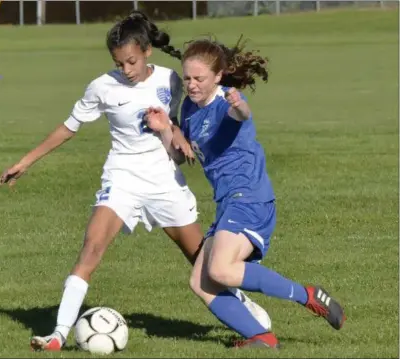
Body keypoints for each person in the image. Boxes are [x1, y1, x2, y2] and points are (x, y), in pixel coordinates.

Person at [0, 12, 265, 352]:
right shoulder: (101, 87)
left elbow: (185, 117)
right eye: (119, 63)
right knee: (91, 247)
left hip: (164, 181)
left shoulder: (172, 80)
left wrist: (178, 134)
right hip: (121, 178)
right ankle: (58, 334)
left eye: (131, 61)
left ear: (147, 51)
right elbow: (68, 128)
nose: (125, 70)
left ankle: (250, 316)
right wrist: (25, 161)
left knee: (203, 259)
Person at [145, 38, 346, 349]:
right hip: (228, 203)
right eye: (187, 78)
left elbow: (241, 114)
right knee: (202, 283)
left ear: (218, 76)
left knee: (220, 269)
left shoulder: (226, 101)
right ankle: (261, 338)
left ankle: (306, 295)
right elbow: (179, 157)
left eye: (199, 79)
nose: (192, 85)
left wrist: (240, 105)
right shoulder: (187, 108)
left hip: (249, 197)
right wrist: (164, 130)